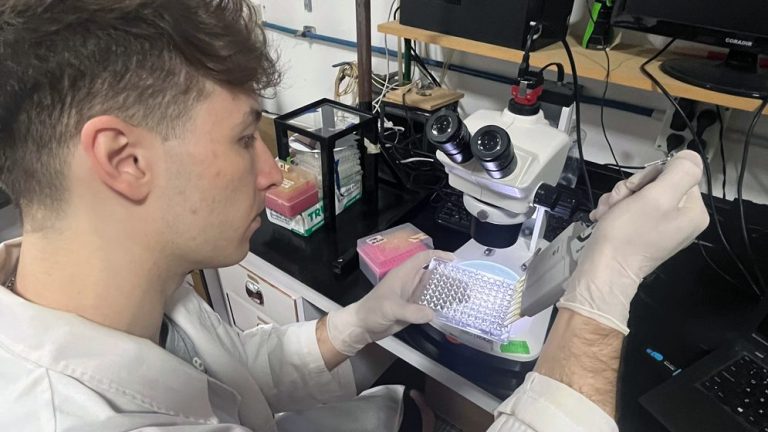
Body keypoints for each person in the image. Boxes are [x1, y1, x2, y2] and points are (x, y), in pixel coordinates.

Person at [0, 1, 708, 431]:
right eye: (245, 137)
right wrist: (602, 288)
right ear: (124, 160)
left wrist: (365, 318)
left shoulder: (113, 292)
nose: (274, 171)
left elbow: (221, 371)